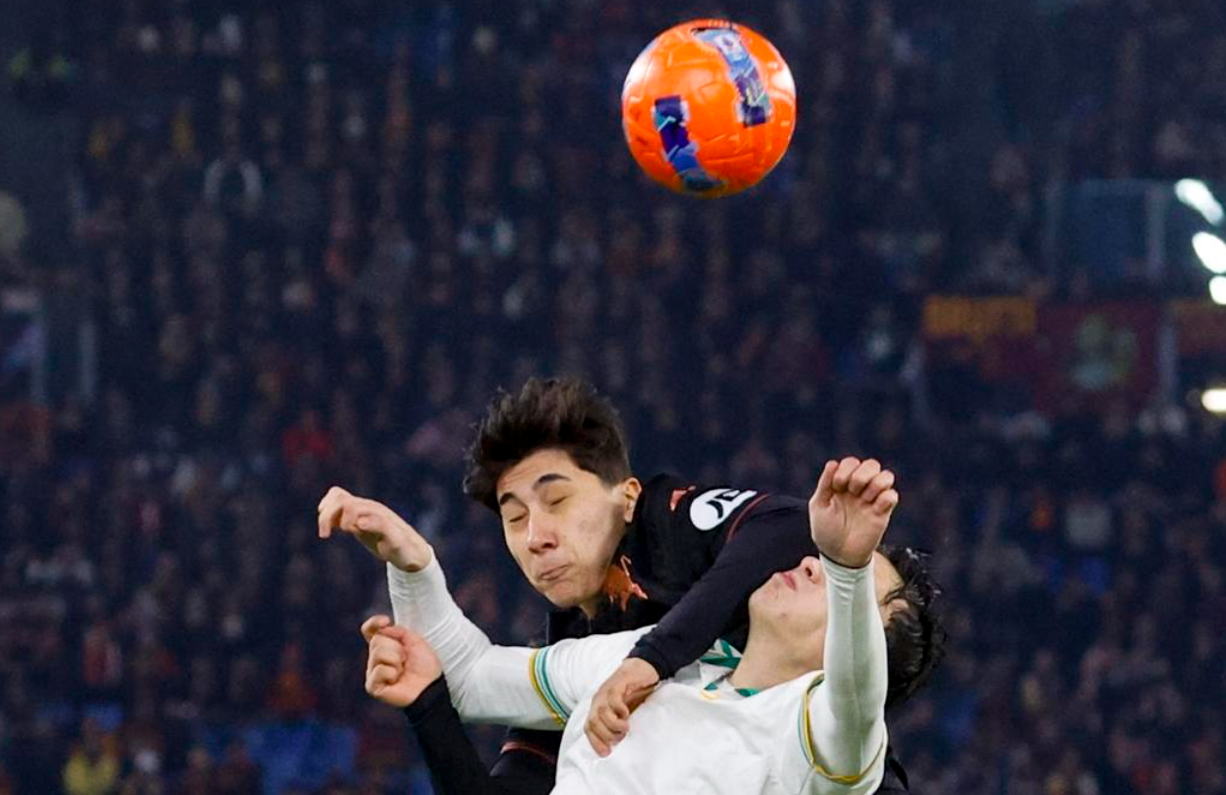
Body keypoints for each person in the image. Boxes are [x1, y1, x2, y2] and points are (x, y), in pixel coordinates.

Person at [319, 377, 941, 791]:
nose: (536, 536)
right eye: (514, 517)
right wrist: (411, 567)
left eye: (557, 500)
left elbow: (855, 690)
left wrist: (849, 567)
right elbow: (471, 677)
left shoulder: (815, 739)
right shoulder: (612, 658)